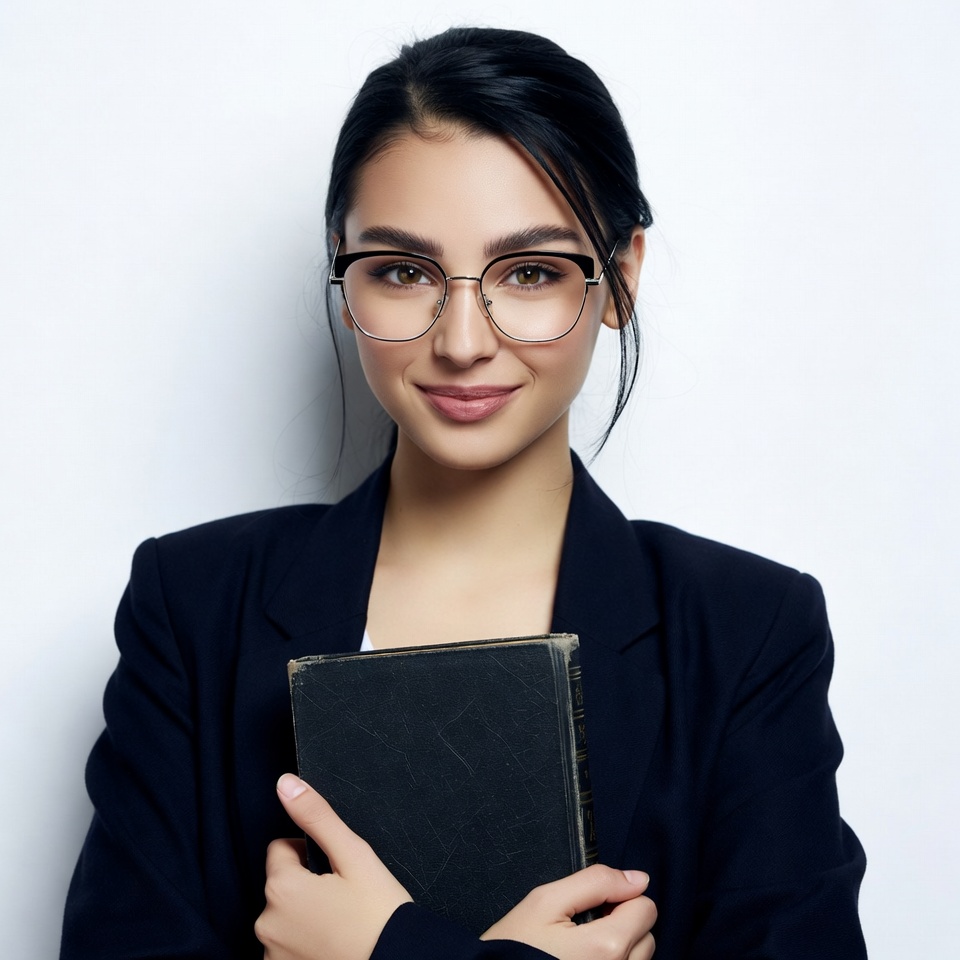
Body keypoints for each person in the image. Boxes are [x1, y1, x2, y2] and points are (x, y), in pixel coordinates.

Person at [60, 26, 867, 960]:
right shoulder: (193, 605)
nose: (462, 340)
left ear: (621, 278)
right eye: (403, 272)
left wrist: (386, 951)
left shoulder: (747, 630)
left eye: (530, 272)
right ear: (342, 264)